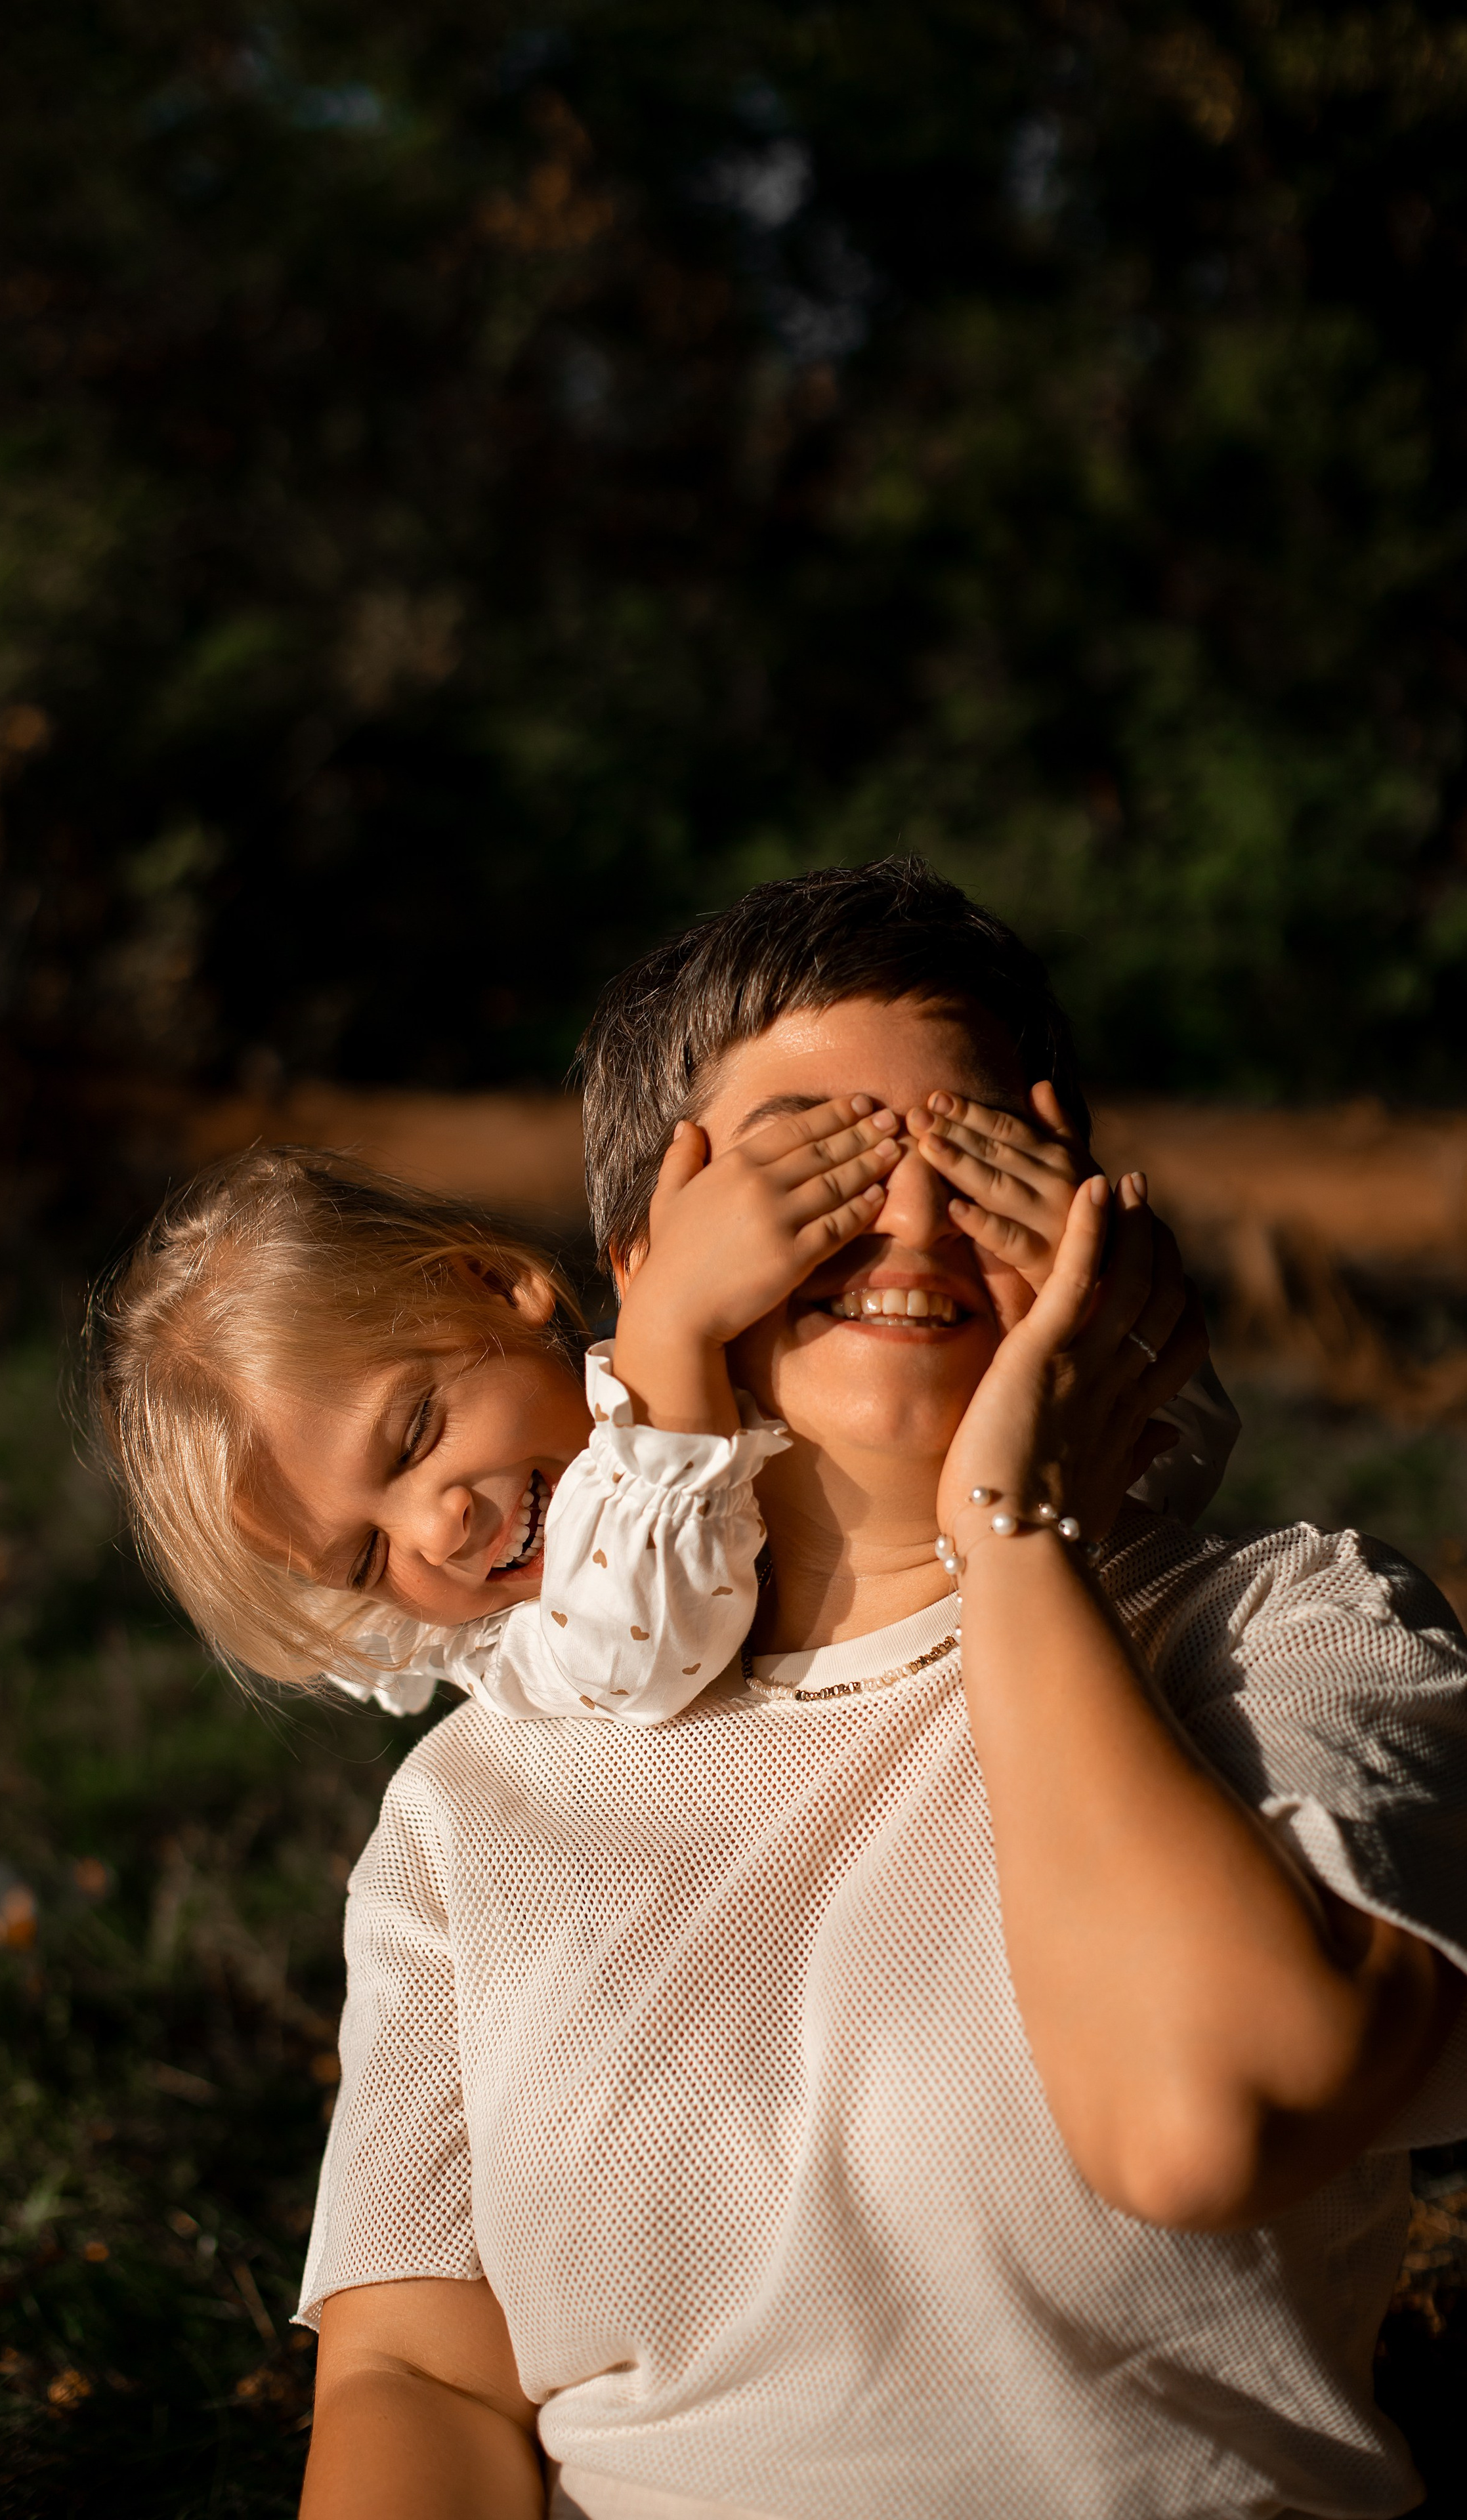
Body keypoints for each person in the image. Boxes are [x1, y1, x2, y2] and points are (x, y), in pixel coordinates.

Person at [297, 860, 1467, 2520]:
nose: (909, 1218)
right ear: (642, 1254)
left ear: (1084, 1218)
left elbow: (1201, 2121)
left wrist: (1015, 1529)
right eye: (815, 1164)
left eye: (971, 1157)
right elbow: (413, 2377)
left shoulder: (1288, 1633)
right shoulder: (475, 1801)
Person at [89, 1079, 1229, 1731]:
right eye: (362, 1557)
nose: (434, 1531)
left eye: (416, 1435)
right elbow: (646, 1653)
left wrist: (1076, 1298)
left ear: (497, 1285)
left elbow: (1174, 1471)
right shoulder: (527, 1642)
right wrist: (674, 1329)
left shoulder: (742, 1378)